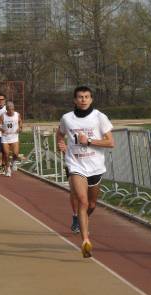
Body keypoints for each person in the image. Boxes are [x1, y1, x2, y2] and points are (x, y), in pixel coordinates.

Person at [56, 86, 114, 258]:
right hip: (75, 165)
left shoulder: (99, 117)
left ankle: (80, 220)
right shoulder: (67, 118)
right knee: (82, 201)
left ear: (91, 99)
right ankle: (85, 241)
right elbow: (59, 133)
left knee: (92, 204)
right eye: (80, 97)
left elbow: (110, 142)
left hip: (95, 166)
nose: (83, 100)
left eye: (86, 97)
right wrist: (61, 144)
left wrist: (88, 141)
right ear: (75, 100)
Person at [0, 101, 22, 177]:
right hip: (5, 137)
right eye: (9, 110)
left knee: (16, 154)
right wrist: (2, 129)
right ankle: (8, 169)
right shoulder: (3, 116)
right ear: (6, 109)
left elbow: (20, 122)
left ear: (14, 108)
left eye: (12, 109)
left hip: (14, 137)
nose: (11, 111)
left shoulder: (17, 115)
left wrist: (20, 128)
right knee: (6, 154)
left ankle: (13, 162)